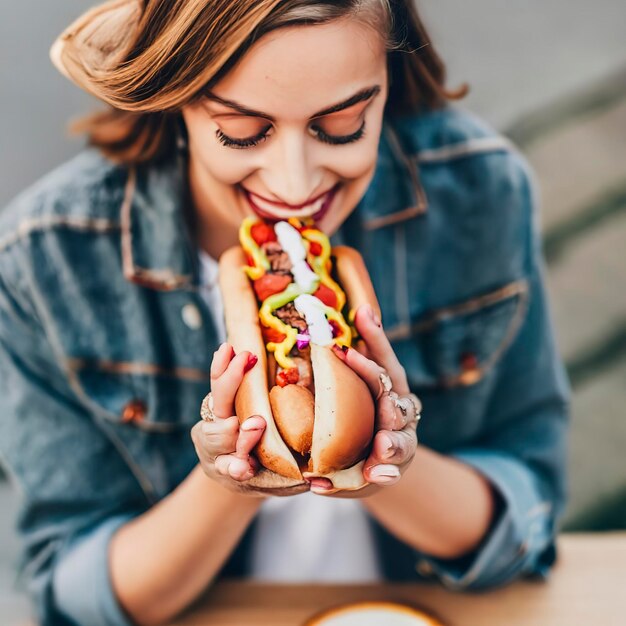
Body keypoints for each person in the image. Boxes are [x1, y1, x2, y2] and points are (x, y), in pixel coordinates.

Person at [0, 1, 570, 625]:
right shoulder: (46, 256)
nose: (296, 187)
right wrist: (227, 485)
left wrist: (387, 463)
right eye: (243, 130)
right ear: (175, 97)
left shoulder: (480, 191)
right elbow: (68, 592)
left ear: (389, 81)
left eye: (346, 122)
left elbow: (528, 520)